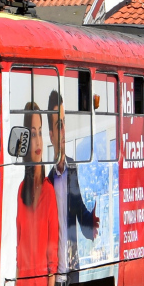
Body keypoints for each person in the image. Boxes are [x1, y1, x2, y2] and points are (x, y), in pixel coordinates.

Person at [11, 103, 60, 286]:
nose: (38, 141)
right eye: (32, 134)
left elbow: (53, 259)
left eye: (40, 133)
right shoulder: (21, 189)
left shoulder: (49, 191)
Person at [46, 91, 99, 275]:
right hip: (52, 262)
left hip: (71, 260)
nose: (62, 132)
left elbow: (78, 208)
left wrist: (90, 223)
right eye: (58, 126)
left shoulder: (72, 167)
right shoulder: (47, 178)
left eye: (64, 125)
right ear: (51, 135)